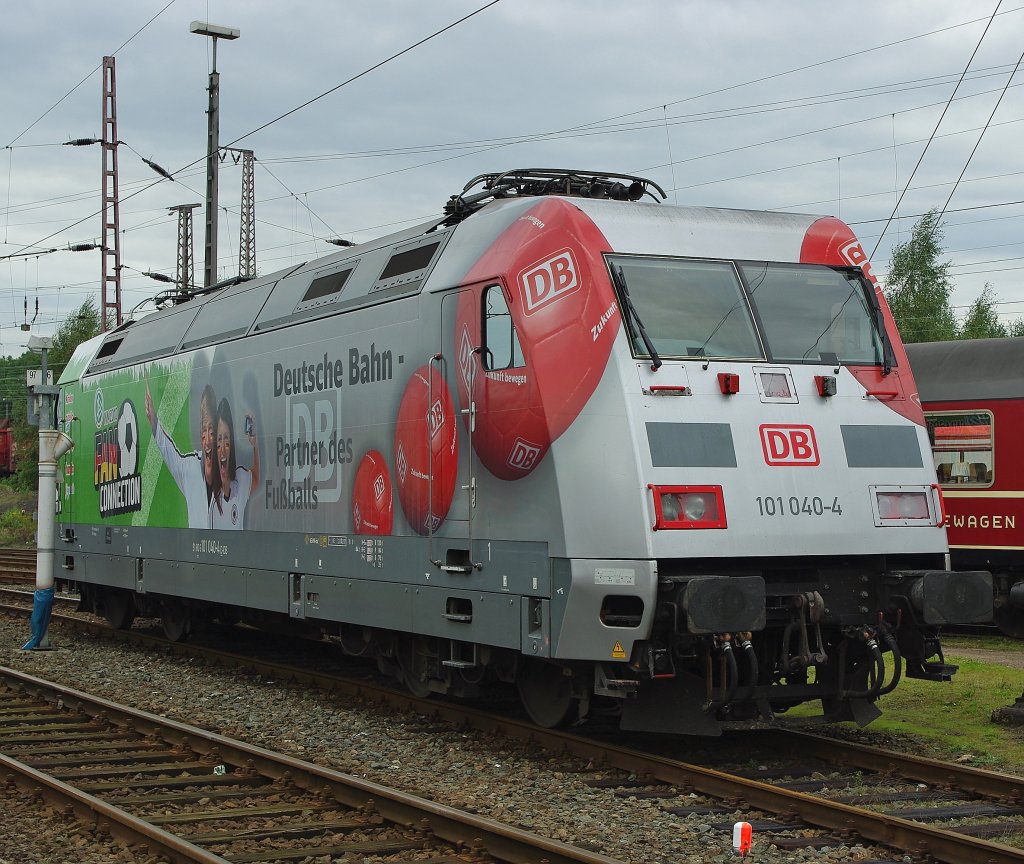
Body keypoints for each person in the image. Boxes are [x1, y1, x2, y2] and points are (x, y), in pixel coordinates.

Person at [146, 380, 217, 528]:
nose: (208, 440)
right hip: (196, 547)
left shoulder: (228, 473)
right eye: (204, 431)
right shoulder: (191, 467)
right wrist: (154, 422)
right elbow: (169, 452)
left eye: (212, 431)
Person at [210, 398, 260, 530]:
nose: (222, 448)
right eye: (219, 439)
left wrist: (255, 445)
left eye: (226, 438)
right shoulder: (211, 501)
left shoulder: (240, 480)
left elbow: (255, 478)